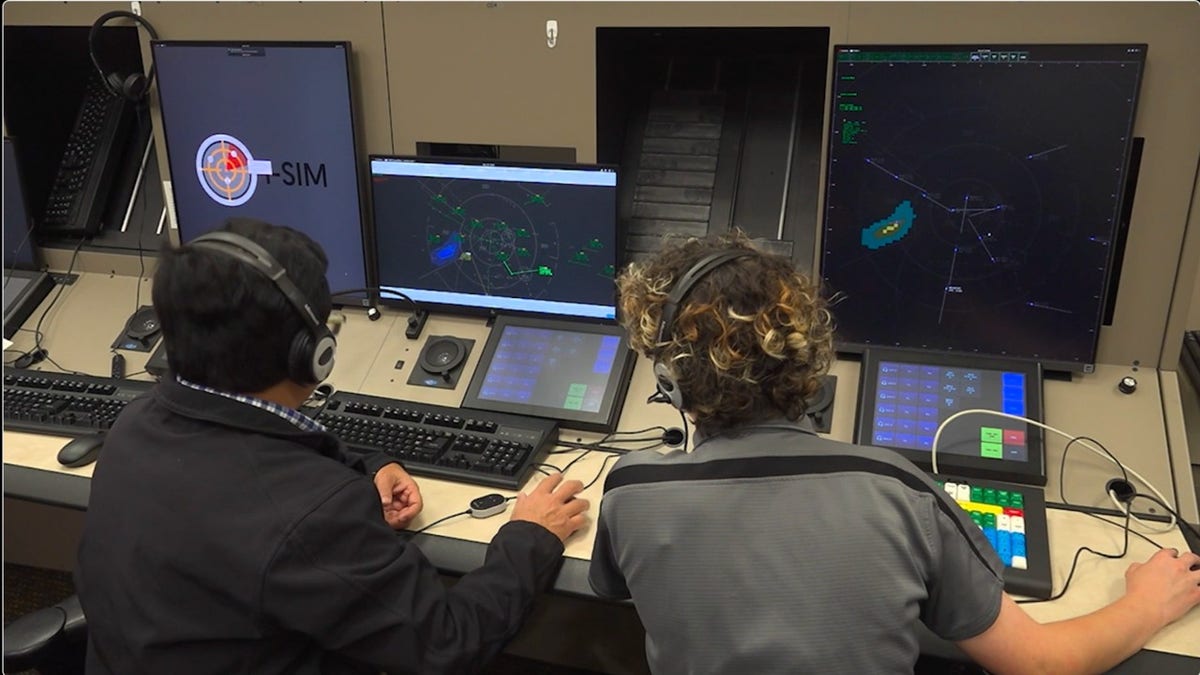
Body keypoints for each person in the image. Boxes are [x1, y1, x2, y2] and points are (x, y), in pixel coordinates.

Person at [588, 230, 1200, 674]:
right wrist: (1147, 602)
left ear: (669, 382)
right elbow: (1039, 663)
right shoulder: (896, 489)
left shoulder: (629, 489)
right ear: (812, 357)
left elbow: (620, 589)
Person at [76, 218, 590, 674]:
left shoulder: (137, 423)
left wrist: (367, 465)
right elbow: (446, 642)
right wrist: (528, 535)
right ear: (312, 353)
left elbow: (261, 451)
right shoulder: (311, 516)